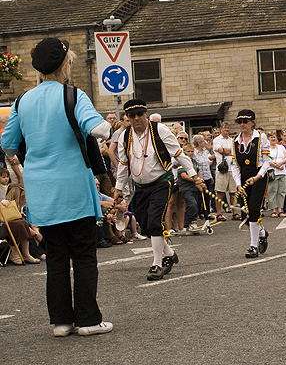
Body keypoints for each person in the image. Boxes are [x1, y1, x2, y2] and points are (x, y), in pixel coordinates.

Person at [0, 38, 113, 336]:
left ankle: (61, 322)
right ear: (65, 65)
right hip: (73, 187)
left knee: (58, 258)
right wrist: (106, 128)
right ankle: (89, 320)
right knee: (85, 255)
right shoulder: (74, 95)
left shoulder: (22, 100)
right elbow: (99, 128)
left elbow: (7, 143)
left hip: (41, 191)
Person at [115, 99, 202, 280]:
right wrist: (118, 188)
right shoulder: (125, 135)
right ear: (127, 118)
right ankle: (169, 253)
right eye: (132, 116)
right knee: (145, 224)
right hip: (139, 185)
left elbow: (179, 153)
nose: (136, 118)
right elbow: (123, 164)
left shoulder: (160, 130)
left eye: (140, 114)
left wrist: (194, 176)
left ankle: (156, 264)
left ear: (146, 114)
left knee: (155, 221)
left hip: (161, 182)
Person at [230, 110, 271, 258]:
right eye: (239, 122)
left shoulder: (261, 137)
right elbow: (234, 165)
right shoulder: (234, 140)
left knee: (253, 209)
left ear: (252, 122)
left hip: (258, 176)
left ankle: (253, 246)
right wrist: (238, 185)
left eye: (245, 122)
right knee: (245, 213)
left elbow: (267, 162)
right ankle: (262, 233)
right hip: (243, 178)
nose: (242, 125)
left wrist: (257, 177)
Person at [213, 122, 239, 221]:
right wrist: (232, 151)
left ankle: (235, 213)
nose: (226, 130)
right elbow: (221, 150)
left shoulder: (232, 140)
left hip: (232, 168)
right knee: (220, 192)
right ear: (221, 129)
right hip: (222, 169)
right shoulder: (217, 140)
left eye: (228, 128)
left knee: (233, 193)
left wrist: (229, 151)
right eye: (224, 128)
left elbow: (233, 151)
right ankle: (219, 214)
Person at [266, 130, 286, 217]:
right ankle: (273, 210)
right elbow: (266, 159)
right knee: (272, 191)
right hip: (272, 172)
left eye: (274, 137)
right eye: (271, 137)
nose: (273, 138)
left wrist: (281, 163)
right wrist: (276, 165)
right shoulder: (267, 148)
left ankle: (280, 209)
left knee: (281, 191)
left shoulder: (281, 147)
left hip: (282, 172)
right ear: (268, 139)